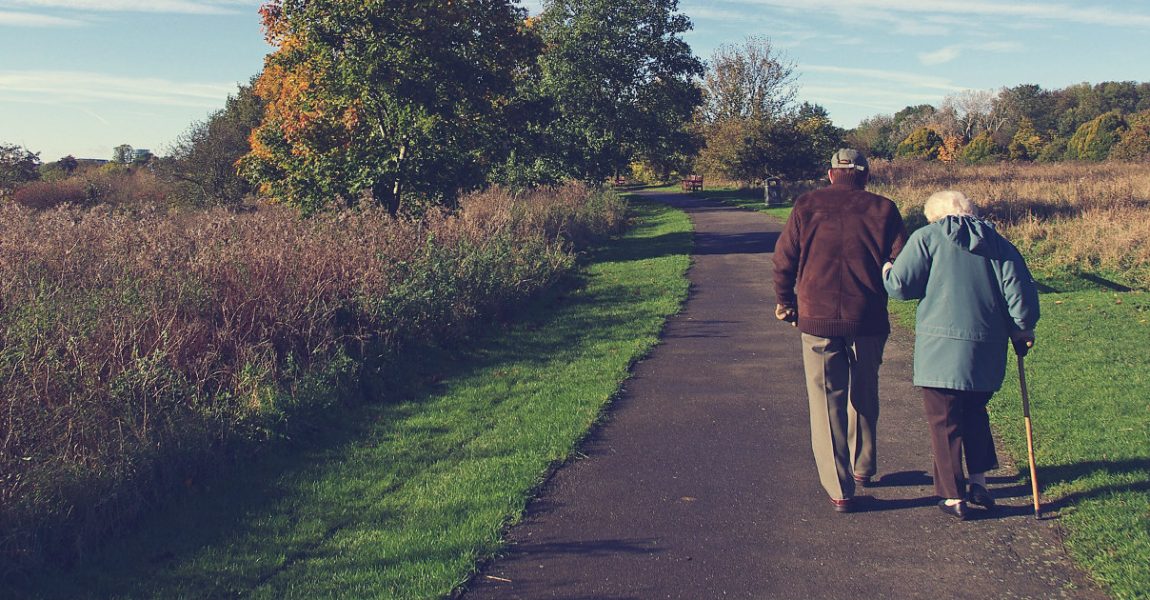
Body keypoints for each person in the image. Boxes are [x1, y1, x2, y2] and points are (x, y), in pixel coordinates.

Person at [882, 190, 1040, 520]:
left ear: (934, 216)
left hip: (940, 349)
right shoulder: (999, 243)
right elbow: (1020, 296)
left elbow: (900, 286)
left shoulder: (927, 238)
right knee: (975, 412)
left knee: (944, 420)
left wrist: (886, 270)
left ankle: (953, 495)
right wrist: (1023, 329)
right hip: (986, 348)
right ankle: (979, 482)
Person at [773, 148, 908, 513]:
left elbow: (783, 258)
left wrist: (785, 301)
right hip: (868, 317)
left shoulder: (807, 205)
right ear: (866, 175)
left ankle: (840, 488)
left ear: (830, 174)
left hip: (817, 317)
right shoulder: (884, 209)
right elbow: (901, 262)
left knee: (825, 402)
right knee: (865, 391)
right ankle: (863, 466)